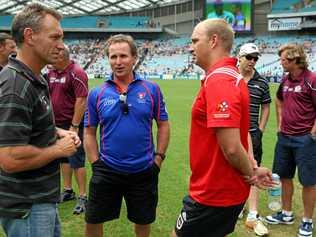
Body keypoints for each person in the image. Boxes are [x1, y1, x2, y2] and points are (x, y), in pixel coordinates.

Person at [171, 18, 273, 237]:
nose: (190, 47)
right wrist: (253, 168)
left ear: (213, 41)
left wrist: (252, 174)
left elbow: (232, 147)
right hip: (222, 189)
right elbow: (242, 133)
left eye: (195, 40)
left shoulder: (220, 81)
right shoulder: (231, 77)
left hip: (213, 192)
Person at [0, 3, 80, 237]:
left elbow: (28, 124)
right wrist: (58, 149)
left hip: (41, 197)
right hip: (27, 205)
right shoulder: (15, 86)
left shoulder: (33, 78)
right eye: (54, 37)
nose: (61, 45)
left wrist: (57, 132)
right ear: (30, 36)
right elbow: (9, 159)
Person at [84, 34, 170, 237]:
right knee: (93, 219)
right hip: (107, 170)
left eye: (123, 56)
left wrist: (158, 159)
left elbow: (164, 125)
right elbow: (89, 132)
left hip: (143, 170)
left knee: (143, 220)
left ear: (134, 58)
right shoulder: (97, 93)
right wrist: (96, 164)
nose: (118, 62)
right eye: (113, 57)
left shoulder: (151, 89)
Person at [265, 44, 316, 237]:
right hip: (284, 138)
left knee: (308, 182)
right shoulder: (286, 79)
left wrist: (313, 132)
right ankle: (286, 214)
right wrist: (279, 124)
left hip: (305, 139)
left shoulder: (312, 80)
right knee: (283, 177)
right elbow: (279, 100)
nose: (281, 62)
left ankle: (307, 221)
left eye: (284, 59)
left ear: (295, 60)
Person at [47, 45, 89, 214]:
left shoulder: (77, 72)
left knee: (77, 160)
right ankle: (68, 191)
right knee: (63, 159)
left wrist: (75, 125)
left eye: (54, 55)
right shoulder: (51, 72)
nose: (50, 58)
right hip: (56, 126)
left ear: (62, 56)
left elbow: (81, 100)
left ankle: (83, 196)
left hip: (73, 125)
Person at [238, 43, 271, 236]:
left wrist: (260, 128)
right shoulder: (231, 78)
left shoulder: (262, 82)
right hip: (233, 134)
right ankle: (236, 207)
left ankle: (252, 213)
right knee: (233, 170)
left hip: (253, 134)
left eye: (255, 58)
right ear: (240, 57)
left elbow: (266, 106)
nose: (252, 61)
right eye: (249, 57)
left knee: (254, 169)